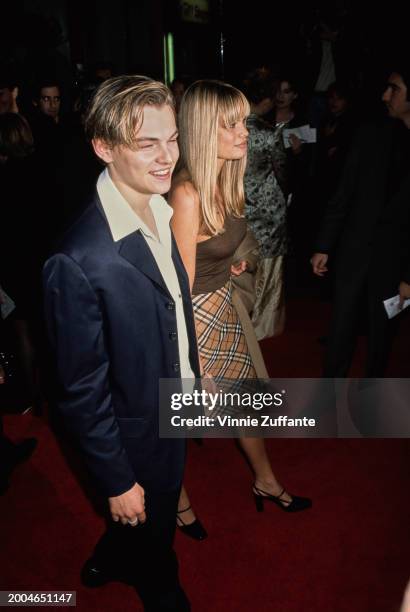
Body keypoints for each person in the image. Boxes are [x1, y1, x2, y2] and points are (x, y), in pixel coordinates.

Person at [43, 75, 200, 611]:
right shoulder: (78, 259)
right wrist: (115, 480)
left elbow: (171, 312)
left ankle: (112, 555)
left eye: (172, 138)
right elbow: (79, 391)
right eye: (146, 143)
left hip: (171, 407)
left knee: (146, 520)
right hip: (134, 436)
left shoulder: (160, 208)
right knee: (157, 546)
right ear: (104, 147)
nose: (167, 157)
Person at [169, 80, 311, 536]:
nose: (244, 130)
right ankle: (177, 501)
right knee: (179, 417)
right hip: (193, 320)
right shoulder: (186, 194)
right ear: (205, 130)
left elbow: (236, 243)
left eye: (243, 120)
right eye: (231, 123)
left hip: (224, 310)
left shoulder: (228, 179)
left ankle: (266, 482)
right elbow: (178, 290)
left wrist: (241, 259)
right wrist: (193, 365)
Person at [310, 61, 410, 377]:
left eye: (394, 88)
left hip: (397, 258)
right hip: (355, 247)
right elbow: (343, 193)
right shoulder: (370, 134)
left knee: (383, 333)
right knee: (341, 325)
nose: (385, 95)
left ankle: (372, 398)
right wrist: (324, 244)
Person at [243, 70, 288, 339]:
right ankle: (262, 325)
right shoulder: (269, 133)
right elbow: (282, 172)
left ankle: (240, 320)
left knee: (241, 263)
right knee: (270, 266)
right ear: (268, 100)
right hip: (268, 208)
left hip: (237, 206)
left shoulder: (226, 129)